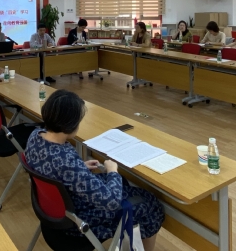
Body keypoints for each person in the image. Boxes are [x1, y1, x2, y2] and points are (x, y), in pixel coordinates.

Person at [25, 90, 164, 251]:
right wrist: (112, 171)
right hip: (77, 222)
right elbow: (111, 202)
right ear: (70, 125)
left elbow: (49, 166)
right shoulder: (67, 162)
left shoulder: (35, 136)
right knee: (151, 205)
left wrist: (81, 167)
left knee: (123, 184)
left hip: (55, 209)